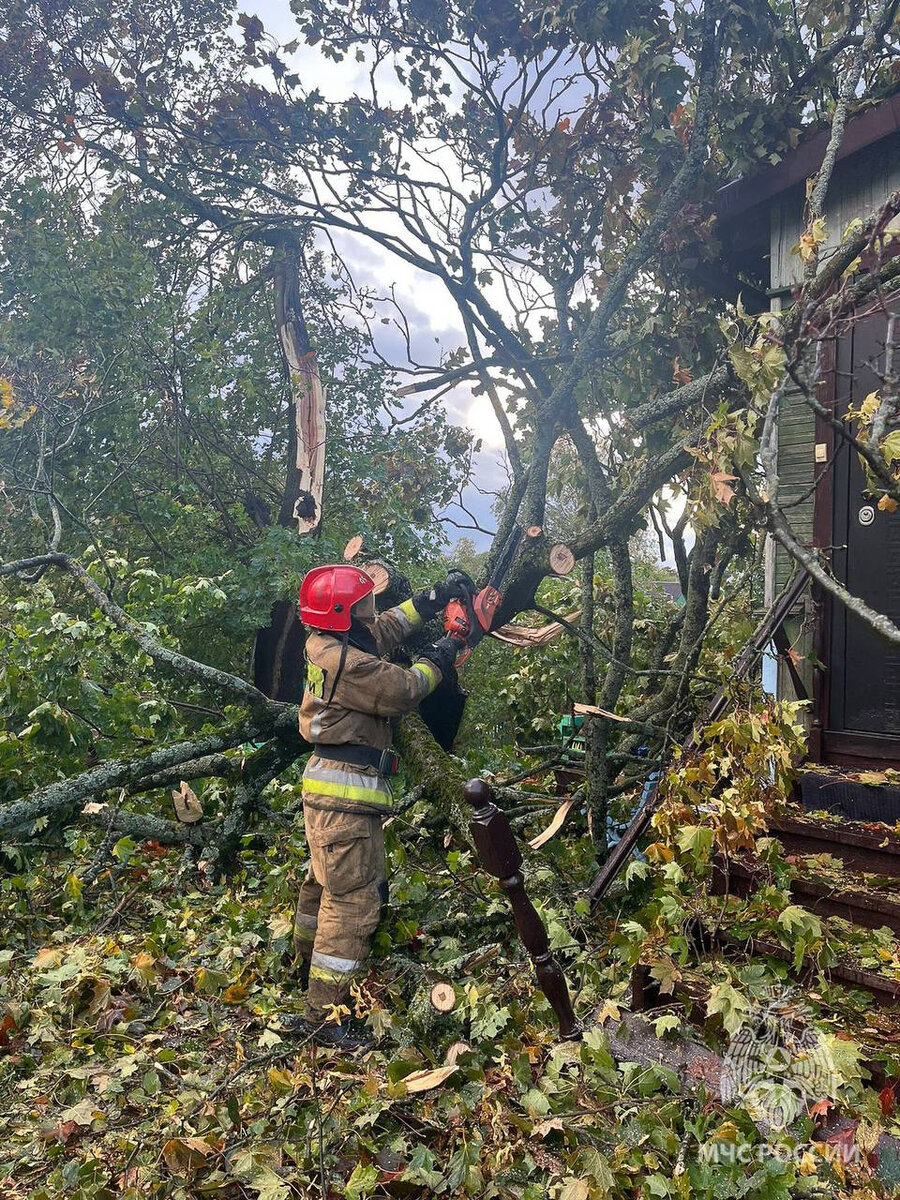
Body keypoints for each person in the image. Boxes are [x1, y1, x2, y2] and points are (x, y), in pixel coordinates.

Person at [288, 564, 467, 1049]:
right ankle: (324, 1016)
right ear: (343, 614)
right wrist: (442, 655)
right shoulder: (347, 664)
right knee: (353, 899)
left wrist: (431, 599)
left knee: (323, 885)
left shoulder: (331, 642)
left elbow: (384, 629)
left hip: (331, 792)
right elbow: (404, 689)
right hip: (345, 793)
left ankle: (302, 969)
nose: (372, 611)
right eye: (363, 604)